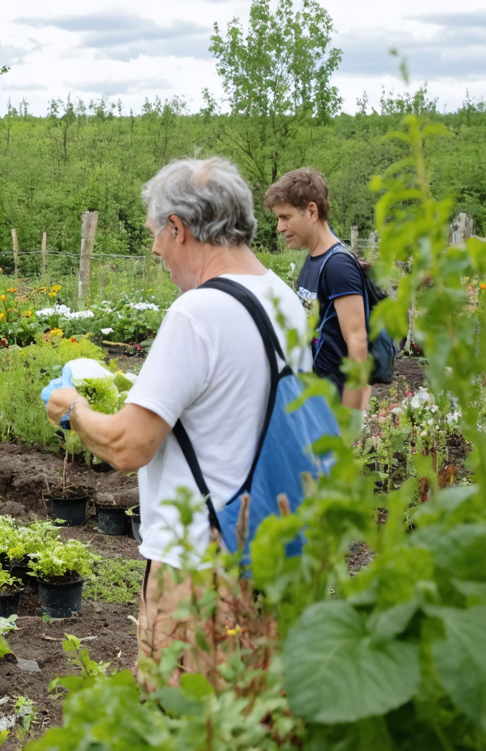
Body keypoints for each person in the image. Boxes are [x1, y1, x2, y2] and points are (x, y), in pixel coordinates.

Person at [43, 158, 310, 668]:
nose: (155, 249)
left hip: (199, 565)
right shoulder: (281, 299)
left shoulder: (198, 312)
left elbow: (129, 445)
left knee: (183, 721)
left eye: (155, 234)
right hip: (268, 550)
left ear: (178, 228)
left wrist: (70, 409)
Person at [265, 168, 371, 412]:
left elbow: (358, 344)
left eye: (285, 217)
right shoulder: (314, 260)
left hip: (334, 409)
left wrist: (350, 419)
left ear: (311, 211)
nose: (280, 228)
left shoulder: (337, 265)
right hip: (315, 403)